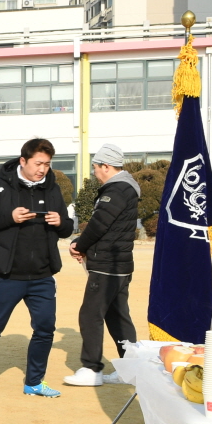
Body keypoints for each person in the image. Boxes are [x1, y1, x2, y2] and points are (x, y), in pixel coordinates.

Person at [0, 137, 73, 400]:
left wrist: (62, 223)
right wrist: (9, 218)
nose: (43, 169)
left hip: (43, 275)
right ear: (23, 161)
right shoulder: (1, 188)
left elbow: (67, 227)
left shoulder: (53, 190)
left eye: (47, 164)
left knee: (45, 329)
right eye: (38, 163)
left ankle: (34, 382)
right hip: (7, 274)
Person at [64, 144, 140, 387]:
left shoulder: (116, 190)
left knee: (90, 315)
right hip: (118, 264)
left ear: (106, 167)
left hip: (108, 264)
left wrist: (79, 244)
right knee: (118, 317)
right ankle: (131, 369)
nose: (95, 172)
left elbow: (99, 224)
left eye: (96, 167)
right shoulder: (124, 188)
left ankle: (91, 368)